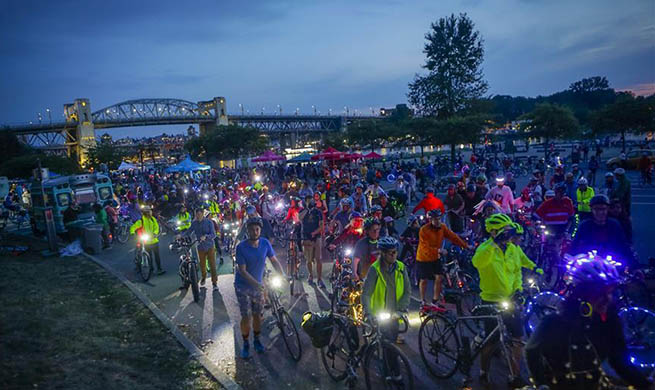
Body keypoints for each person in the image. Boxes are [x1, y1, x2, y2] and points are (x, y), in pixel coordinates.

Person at [525, 254, 653, 390]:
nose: (607, 299)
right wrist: (541, 384)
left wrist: (645, 385)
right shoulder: (554, 322)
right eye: (601, 294)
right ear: (583, 294)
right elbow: (532, 351)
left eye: (610, 293)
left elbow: (619, 360)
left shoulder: (609, 321)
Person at [471, 213, 529, 388]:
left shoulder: (512, 248)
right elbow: (477, 262)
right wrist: (494, 244)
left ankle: (514, 375)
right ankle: (483, 372)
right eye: (505, 231)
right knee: (492, 341)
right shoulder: (485, 248)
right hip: (491, 300)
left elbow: (517, 270)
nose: (509, 234)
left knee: (518, 338)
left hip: (510, 300)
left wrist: (518, 288)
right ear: (494, 232)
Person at [234, 217, 285, 359]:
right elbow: (242, 271)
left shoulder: (265, 243)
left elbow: (274, 261)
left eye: (257, 229)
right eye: (251, 229)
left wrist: (283, 275)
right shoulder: (241, 247)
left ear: (260, 230)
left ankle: (256, 340)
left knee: (257, 315)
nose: (254, 232)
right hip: (243, 286)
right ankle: (245, 343)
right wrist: (257, 284)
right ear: (247, 231)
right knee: (246, 316)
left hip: (258, 287)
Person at [361, 236, 411, 352]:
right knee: (384, 346)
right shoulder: (375, 269)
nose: (394, 255)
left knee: (391, 347)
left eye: (395, 252)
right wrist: (368, 313)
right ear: (383, 254)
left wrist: (401, 309)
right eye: (391, 253)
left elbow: (407, 291)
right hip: (379, 316)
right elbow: (366, 294)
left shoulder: (401, 267)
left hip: (395, 314)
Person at [416, 209, 469, 306]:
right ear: (430, 220)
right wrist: (438, 251)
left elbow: (453, 237)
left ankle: (435, 300)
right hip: (423, 257)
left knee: (439, 277)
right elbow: (425, 247)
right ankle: (422, 300)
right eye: (435, 219)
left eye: (439, 219)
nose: (437, 221)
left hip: (435, 257)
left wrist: (465, 245)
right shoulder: (424, 230)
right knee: (423, 280)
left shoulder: (442, 227)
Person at [569, 195, 635, 270]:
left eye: (603, 209)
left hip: (611, 265)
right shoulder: (584, 225)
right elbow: (575, 244)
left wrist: (635, 266)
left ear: (607, 210)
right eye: (597, 209)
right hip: (589, 265)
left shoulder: (614, 224)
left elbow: (624, 245)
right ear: (592, 210)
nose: (600, 212)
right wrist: (569, 259)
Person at [180, 207, 218, 291]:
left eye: (199, 215)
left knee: (212, 265)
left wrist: (206, 237)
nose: (198, 216)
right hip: (200, 247)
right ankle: (203, 277)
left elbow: (213, 234)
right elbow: (189, 231)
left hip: (210, 246)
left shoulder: (209, 222)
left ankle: (214, 283)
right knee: (202, 264)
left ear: (202, 214)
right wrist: (181, 236)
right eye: (196, 215)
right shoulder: (194, 223)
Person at [129, 205, 164, 275]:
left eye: (150, 211)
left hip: (154, 240)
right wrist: (132, 233)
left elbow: (156, 227)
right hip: (146, 242)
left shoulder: (153, 219)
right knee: (149, 256)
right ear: (145, 213)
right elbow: (133, 227)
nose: (150, 213)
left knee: (157, 256)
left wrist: (155, 233)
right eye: (148, 212)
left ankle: (159, 268)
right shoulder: (141, 221)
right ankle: (151, 269)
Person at [300, 199, 325, 288]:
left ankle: (319, 279)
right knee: (309, 259)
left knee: (319, 259)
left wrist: (314, 233)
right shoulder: (302, 211)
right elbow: (299, 218)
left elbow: (321, 226)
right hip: (306, 237)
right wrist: (306, 210)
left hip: (317, 237)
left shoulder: (318, 212)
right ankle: (310, 275)